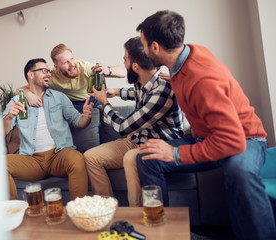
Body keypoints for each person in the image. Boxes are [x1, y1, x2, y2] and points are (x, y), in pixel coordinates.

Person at [136, 10, 276, 240]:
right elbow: (191, 78)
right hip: (208, 138)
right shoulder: (186, 56)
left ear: (155, 47)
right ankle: (164, 231)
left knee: (238, 170)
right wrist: (175, 78)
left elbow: (232, 140)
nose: (143, 51)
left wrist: (175, 153)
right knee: (148, 158)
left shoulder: (202, 80)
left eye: (143, 45)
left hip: (245, 139)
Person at [84, 36, 184, 206]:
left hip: (159, 144)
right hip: (137, 139)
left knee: (131, 158)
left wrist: (104, 102)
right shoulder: (143, 80)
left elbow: (123, 128)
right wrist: (115, 91)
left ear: (135, 66)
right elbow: (135, 92)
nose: (123, 63)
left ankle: (136, 214)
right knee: (91, 157)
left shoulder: (163, 90)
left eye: (125, 60)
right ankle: (108, 210)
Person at [2, 58, 93, 200]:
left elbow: (77, 120)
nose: (49, 74)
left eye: (49, 71)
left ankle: (79, 210)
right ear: (30, 75)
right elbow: (1, 132)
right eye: (44, 71)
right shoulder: (16, 101)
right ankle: (16, 211)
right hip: (32, 160)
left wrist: (85, 118)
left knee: (76, 158)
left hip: (59, 155)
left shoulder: (59, 97)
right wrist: (9, 117)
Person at [21, 43, 127, 112]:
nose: (72, 64)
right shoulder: (51, 77)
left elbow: (123, 72)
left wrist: (108, 71)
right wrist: (28, 94)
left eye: (72, 58)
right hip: (75, 105)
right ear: (56, 67)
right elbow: (21, 89)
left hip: (95, 98)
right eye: (66, 62)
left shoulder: (85, 68)